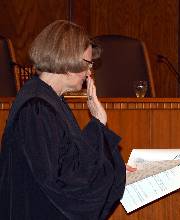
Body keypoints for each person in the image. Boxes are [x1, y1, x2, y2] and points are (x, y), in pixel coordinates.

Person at [0, 20, 128, 219]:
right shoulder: (36, 108)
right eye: (87, 64)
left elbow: (70, 158)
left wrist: (109, 165)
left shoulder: (47, 98)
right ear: (68, 62)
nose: (89, 73)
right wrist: (108, 170)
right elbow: (64, 184)